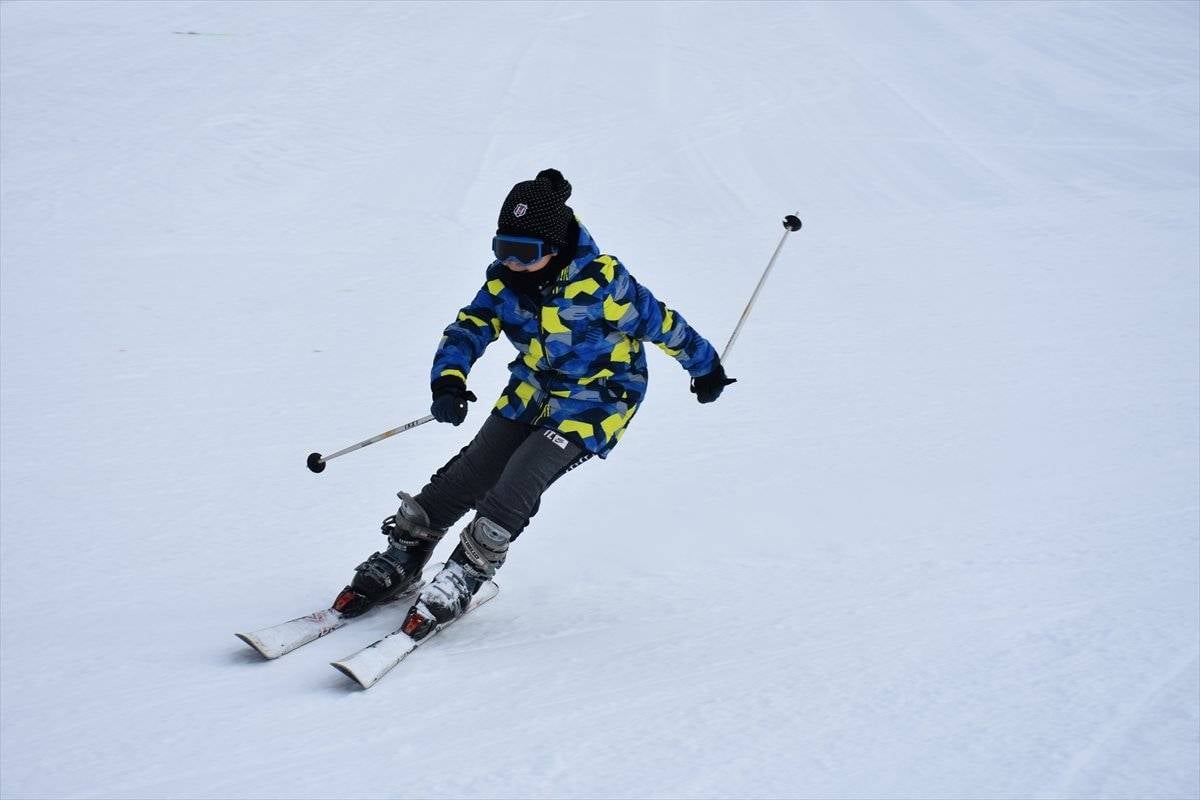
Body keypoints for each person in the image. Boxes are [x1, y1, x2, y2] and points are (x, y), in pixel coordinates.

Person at [331, 169, 736, 640]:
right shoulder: (505, 284)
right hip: (533, 390)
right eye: (503, 249)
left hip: (597, 401)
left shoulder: (604, 283)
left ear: (556, 246)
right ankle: (406, 552)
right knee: (471, 472)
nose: (513, 263)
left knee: (522, 475)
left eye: (525, 253)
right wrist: (448, 380)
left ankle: (467, 569)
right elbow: (470, 327)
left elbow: (665, 324)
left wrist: (704, 367)